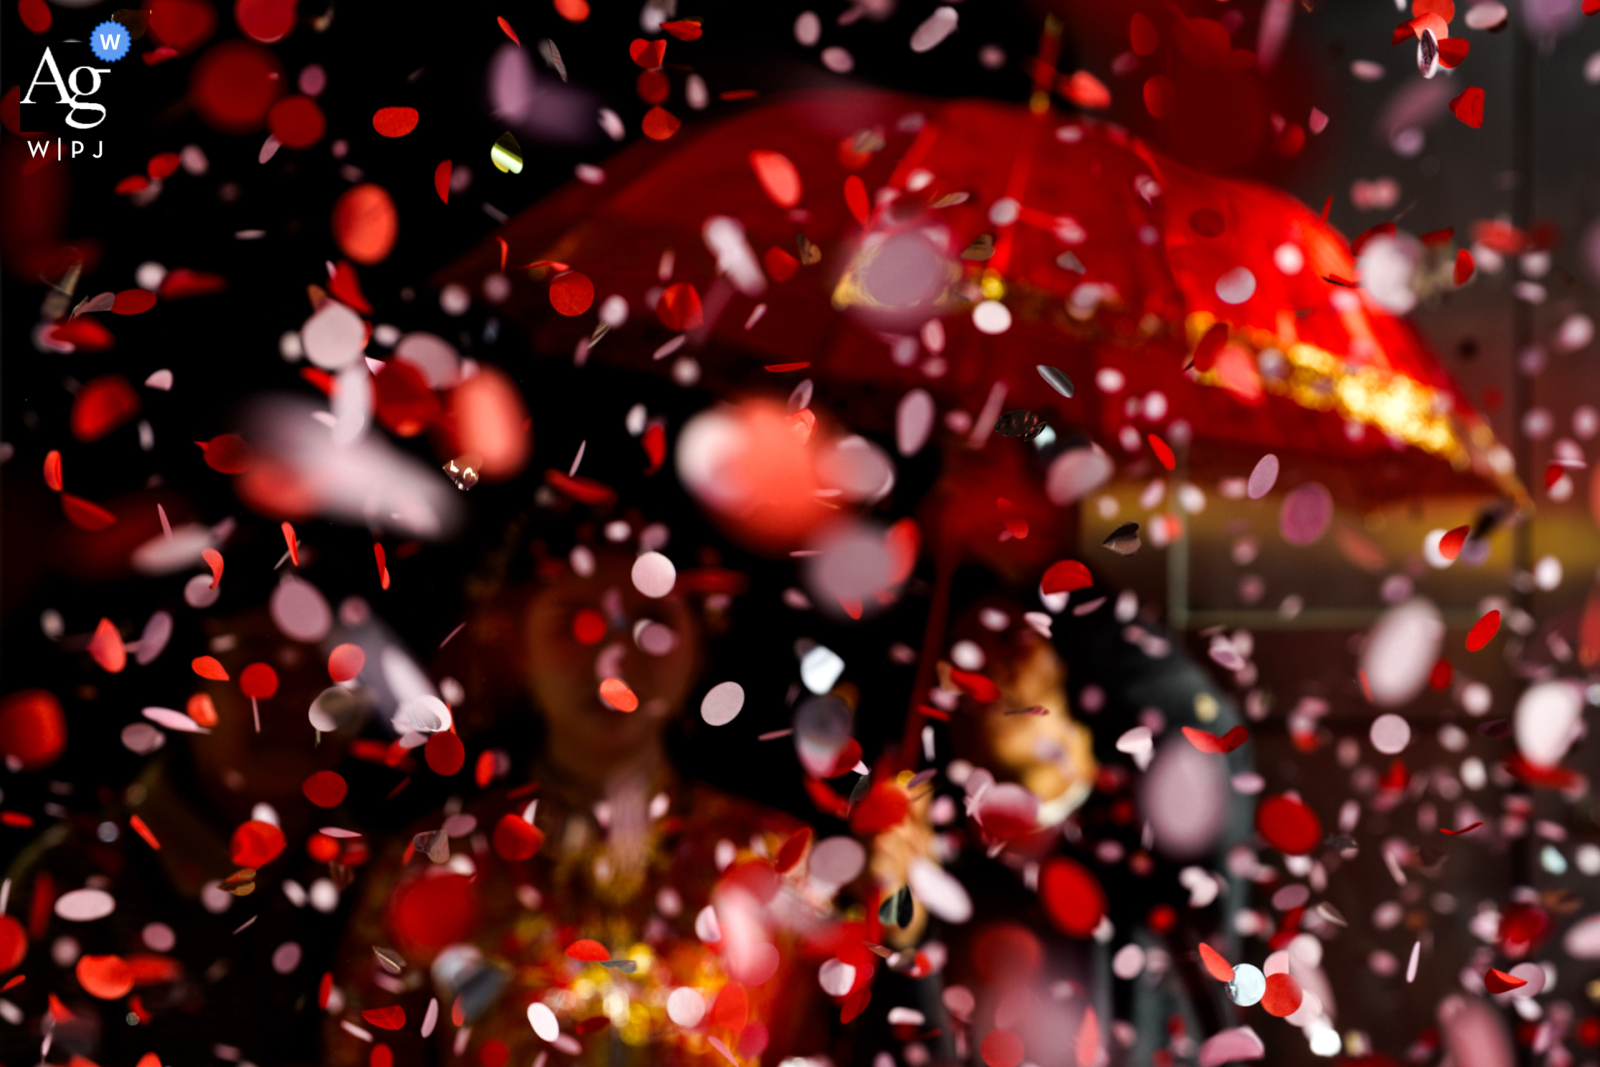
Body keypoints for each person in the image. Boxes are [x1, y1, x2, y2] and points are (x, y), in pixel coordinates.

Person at [322, 516, 833, 1067]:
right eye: (575, 624)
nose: (613, 659)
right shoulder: (437, 861)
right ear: (519, 645)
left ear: (701, 645)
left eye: (652, 625)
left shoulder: (775, 862)